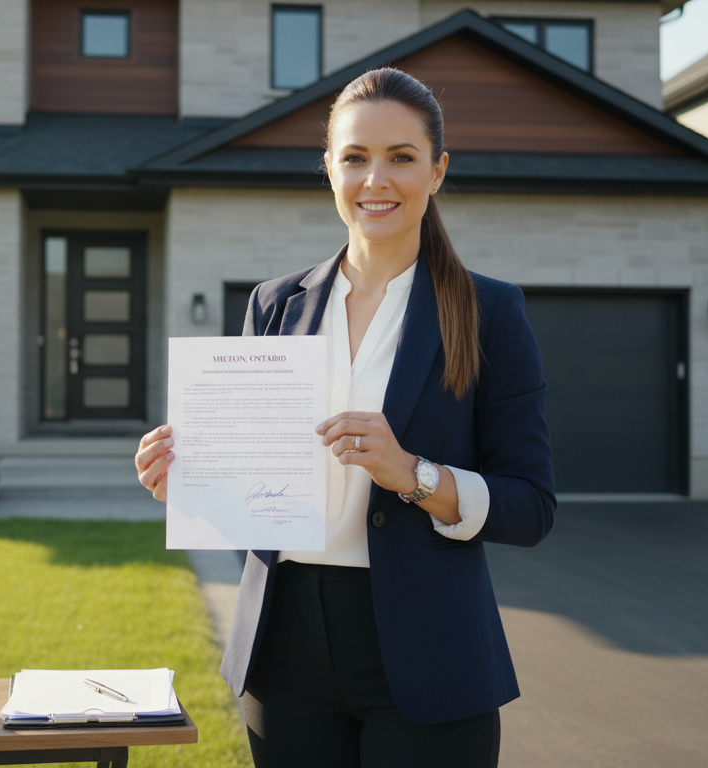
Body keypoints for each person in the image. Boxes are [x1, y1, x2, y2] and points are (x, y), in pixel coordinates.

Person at [135, 67, 555, 768]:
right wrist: (195, 484)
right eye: (355, 157)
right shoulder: (274, 305)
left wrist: (415, 476)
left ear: (438, 171)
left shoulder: (491, 313)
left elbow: (532, 505)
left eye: (401, 157)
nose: (375, 179)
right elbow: (256, 496)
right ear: (329, 169)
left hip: (430, 650)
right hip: (284, 648)